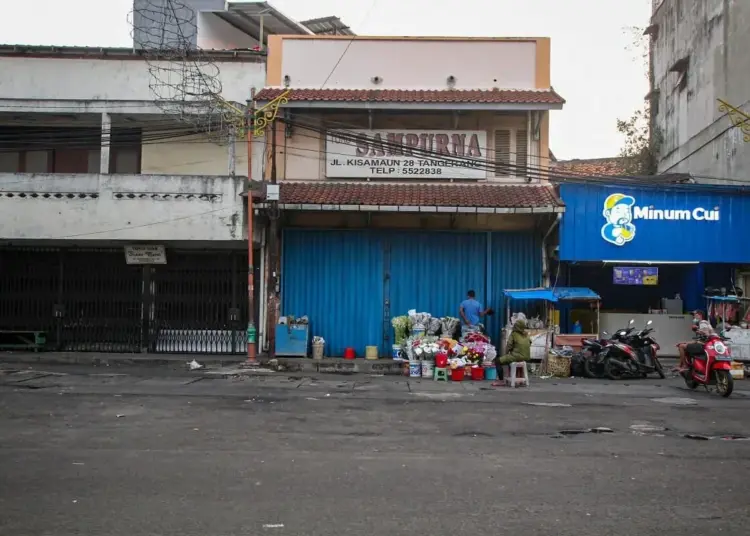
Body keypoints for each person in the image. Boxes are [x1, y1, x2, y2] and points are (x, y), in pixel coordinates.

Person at [493, 319, 531, 387]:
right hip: (527, 356)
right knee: (509, 360)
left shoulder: (513, 334)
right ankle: (518, 379)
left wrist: (506, 354)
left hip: (516, 356)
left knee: (497, 361)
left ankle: (501, 381)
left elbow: (509, 346)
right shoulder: (526, 334)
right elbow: (530, 342)